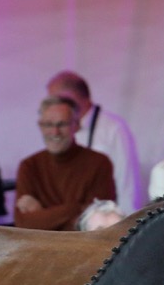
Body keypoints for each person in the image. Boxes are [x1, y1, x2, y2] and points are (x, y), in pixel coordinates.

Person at [13, 97, 116, 231]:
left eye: (62, 124)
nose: (55, 132)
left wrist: (43, 213)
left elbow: (98, 225)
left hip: (84, 249)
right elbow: (23, 224)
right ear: (40, 126)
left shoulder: (99, 163)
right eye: (48, 124)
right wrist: (77, 208)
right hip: (37, 249)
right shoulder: (29, 166)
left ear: (76, 125)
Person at [46, 70, 140, 213]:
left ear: (72, 98)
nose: (52, 107)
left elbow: (127, 183)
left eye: (54, 101)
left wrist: (129, 228)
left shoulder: (113, 128)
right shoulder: (59, 129)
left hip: (106, 220)